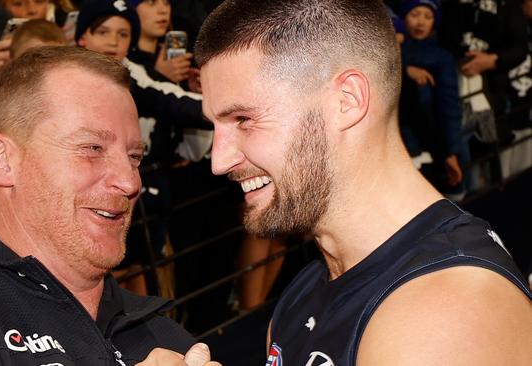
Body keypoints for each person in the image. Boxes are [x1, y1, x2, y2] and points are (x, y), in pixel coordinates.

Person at [193, 0, 532, 365]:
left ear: (347, 100)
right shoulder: (305, 289)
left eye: (243, 118)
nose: (219, 160)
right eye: (216, 125)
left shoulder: (442, 313)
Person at [0, 45, 219, 366]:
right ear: (2, 161)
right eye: (92, 148)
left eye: (134, 156)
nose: (130, 182)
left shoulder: (169, 340)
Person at [75, 0, 212, 296]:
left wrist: (227, 108)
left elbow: (171, 100)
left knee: (136, 276)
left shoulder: (131, 74)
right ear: (81, 38)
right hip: (81, 203)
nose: (113, 41)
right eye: (103, 32)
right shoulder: (63, 76)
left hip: (141, 205)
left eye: (123, 34)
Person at [399, 0, 469, 201]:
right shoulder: (395, 51)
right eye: (415, 14)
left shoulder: (441, 57)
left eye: (428, 16)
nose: (421, 22)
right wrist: (405, 70)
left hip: (428, 144)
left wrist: (451, 152)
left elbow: (449, 107)